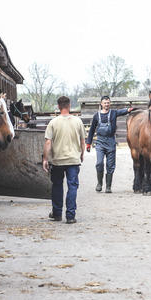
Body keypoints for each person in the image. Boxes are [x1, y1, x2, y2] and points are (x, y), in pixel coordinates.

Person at [43, 96, 86, 224]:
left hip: (57, 160)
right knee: (72, 187)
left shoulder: (53, 122)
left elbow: (48, 142)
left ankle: (57, 213)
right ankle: (70, 216)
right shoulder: (78, 121)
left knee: (57, 186)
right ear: (69, 106)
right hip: (73, 160)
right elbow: (83, 141)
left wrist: (45, 158)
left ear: (58, 106)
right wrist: (82, 154)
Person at [86, 96, 133, 193]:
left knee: (110, 165)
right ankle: (99, 183)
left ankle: (108, 186)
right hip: (100, 142)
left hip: (111, 141)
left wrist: (129, 110)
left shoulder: (113, 113)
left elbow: (122, 111)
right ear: (101, 104)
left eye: (108, 103)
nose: (106, 104)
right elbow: (91, 131)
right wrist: (88, 143)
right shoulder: (96, 116)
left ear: (109, 104)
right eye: (105, 103)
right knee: (99, 163)